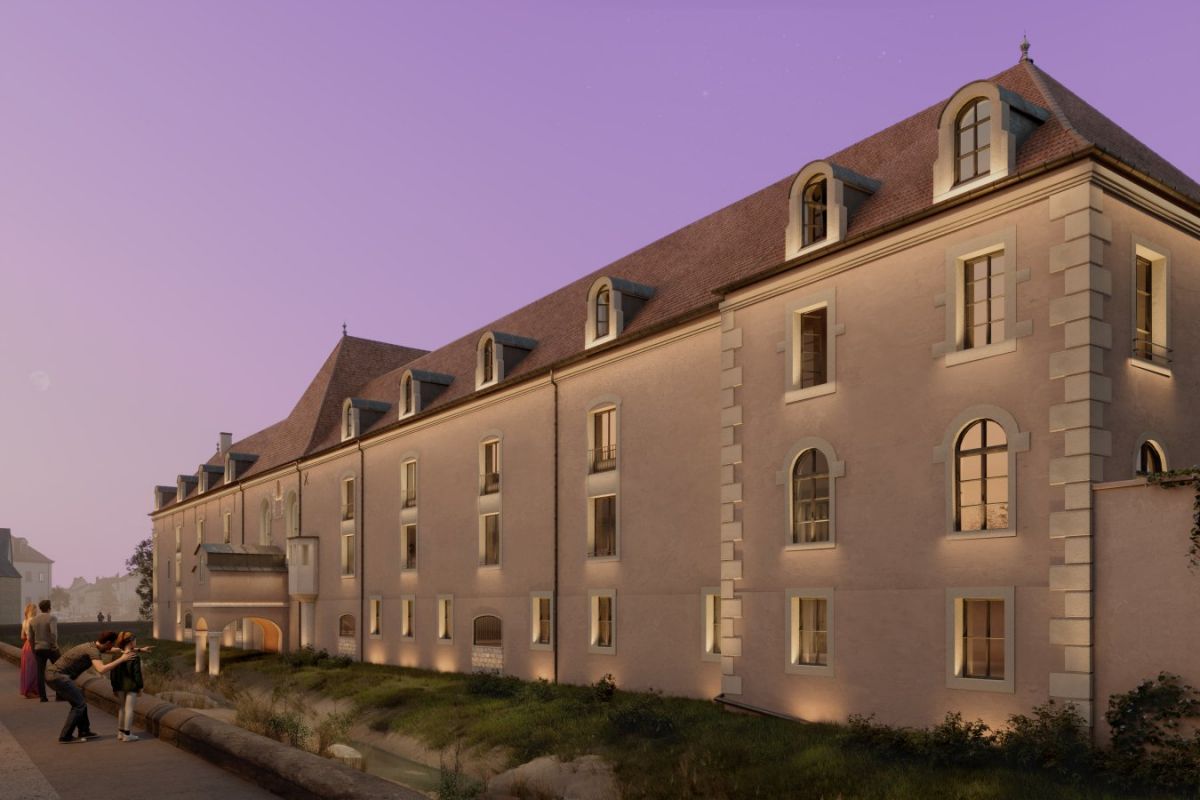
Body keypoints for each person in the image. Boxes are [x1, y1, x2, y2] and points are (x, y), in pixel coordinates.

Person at [44, 631, 138, 743]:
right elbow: (101, 669)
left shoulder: (92, 646)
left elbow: (114, 650)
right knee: (79, 705)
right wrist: (122, 659)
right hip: (58, 677)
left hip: (54, 675)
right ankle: (65, 736)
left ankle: (84, 731)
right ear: (108, 642)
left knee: (80, 700)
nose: (112, 647)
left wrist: (137, 650)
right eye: (112, 644)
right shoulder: (93, 651)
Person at [109, 631, 152, 742]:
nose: (136, 642)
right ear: (131, 642)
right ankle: (127, 734)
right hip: (131, 686)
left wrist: (114, 686)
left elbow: (112, 673)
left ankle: (120, 732)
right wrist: (140, 687)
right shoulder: (134, 657)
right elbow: (137, 674)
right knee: (129, 709)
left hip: (119, 685)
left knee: (122, 708)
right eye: (135, 640)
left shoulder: (116, 655)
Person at [29, 599, 61, 702]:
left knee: (40, 673)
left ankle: (43, 697)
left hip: (38, 648)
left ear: (40, 608)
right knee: (59, 670)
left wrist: (33, 649)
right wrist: (54, 645)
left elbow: (30, 638)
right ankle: (59, 695)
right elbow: (53, 634)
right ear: (49, 608)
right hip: (50, 648)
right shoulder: (52, 618)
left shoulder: (33, 620)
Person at [18, 603, 39, 698]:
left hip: (26, 647)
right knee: (33, 669)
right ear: (32, 610)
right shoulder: (33, 621)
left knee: (27, 669)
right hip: (32, 646)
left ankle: (28, 690)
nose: (37, 611)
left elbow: (22, 636)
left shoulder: (24, 621)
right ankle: (31, 691)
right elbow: (34, 636)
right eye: (35, 609)